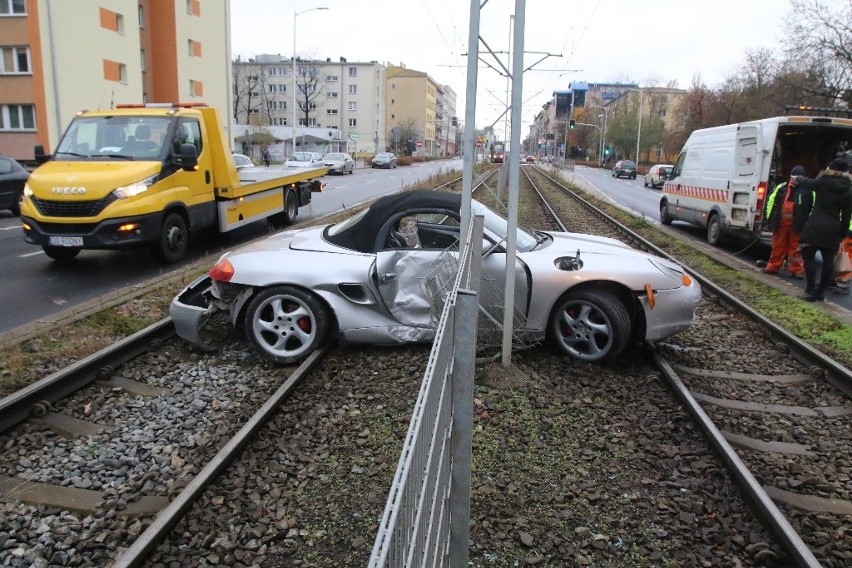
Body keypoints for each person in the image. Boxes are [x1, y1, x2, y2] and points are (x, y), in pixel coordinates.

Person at [792, 158, 852, 301]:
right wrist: (842, 235)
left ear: (831, 168)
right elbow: (847, 216)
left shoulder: (822, 182)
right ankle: (820, 293)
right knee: (828, 261)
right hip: (833, 229)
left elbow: (807, 182)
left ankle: (810, 291)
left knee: (809, 256)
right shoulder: (849, 189)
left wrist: (797, 178)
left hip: (814, 226)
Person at [762, 165, 808, 278]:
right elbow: (771, 202)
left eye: (796, 178)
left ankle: (796, 270)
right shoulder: (782, 187)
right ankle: (773, 266)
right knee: (778, 246)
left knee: (796, 249)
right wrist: (770, 219)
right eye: (792, 177)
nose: (793, 180)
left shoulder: (808, 190)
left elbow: (812, 208)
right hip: (781, 223)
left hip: (798, 225)